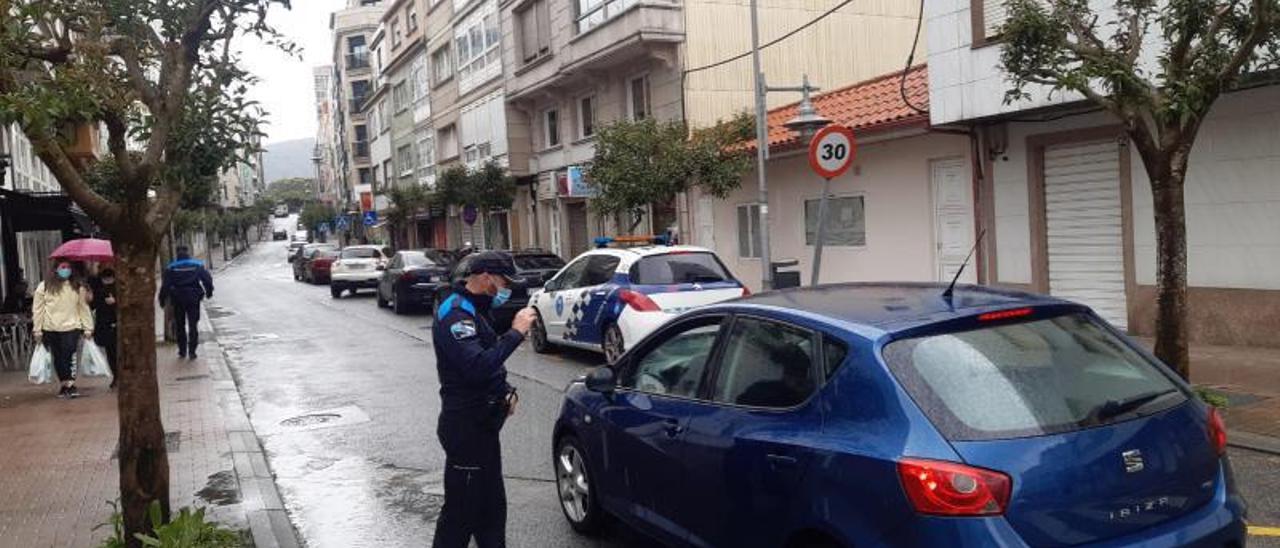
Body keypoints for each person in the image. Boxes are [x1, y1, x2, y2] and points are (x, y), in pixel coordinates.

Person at [431, 251, 536, 548]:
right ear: (487, 276)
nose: (507, 288)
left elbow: (487, 361)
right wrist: (516, 333)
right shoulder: (455, 313)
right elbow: (475, 366)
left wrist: (505, 390)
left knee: (491, 511)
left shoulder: (475, 308)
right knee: (459, 517)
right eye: (504, 281)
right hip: (466, 429)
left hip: (483, 426)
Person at [32, 261, 93, 399]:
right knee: (58, 356)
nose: (65, 270)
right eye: (63, 267)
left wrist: (88, 327)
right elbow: (38, 309)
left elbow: (83, 307)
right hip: (50, 327)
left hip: (72, 326)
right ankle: (64, 383)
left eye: (68, 268)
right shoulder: (44, 287)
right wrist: (37, 330)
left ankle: (71, 384)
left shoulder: (77, 287)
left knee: (70, 353)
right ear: (56, 270)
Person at [159, 246, 214, 360]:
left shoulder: (172, 267)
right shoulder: (197, 265)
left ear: (177, 254)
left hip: (178, 299)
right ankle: (192, 351)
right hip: (193, 298)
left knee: (180, 325)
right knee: (193, 325)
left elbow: (165, 286)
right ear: (188, 253)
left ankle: (182, 350)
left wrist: (162, 300)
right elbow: (207, 279)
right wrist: (209, 292)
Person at [88, 267, 119, 389]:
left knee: (117, 352)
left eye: (109, 279)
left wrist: (115, 302)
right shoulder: (98, 290)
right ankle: (116, 376)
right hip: (105, 325)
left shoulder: (119, 288)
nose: (108, 282)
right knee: (110, 352)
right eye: (105, 280)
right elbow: (93, 306)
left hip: (117, 324)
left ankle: (119, 375)